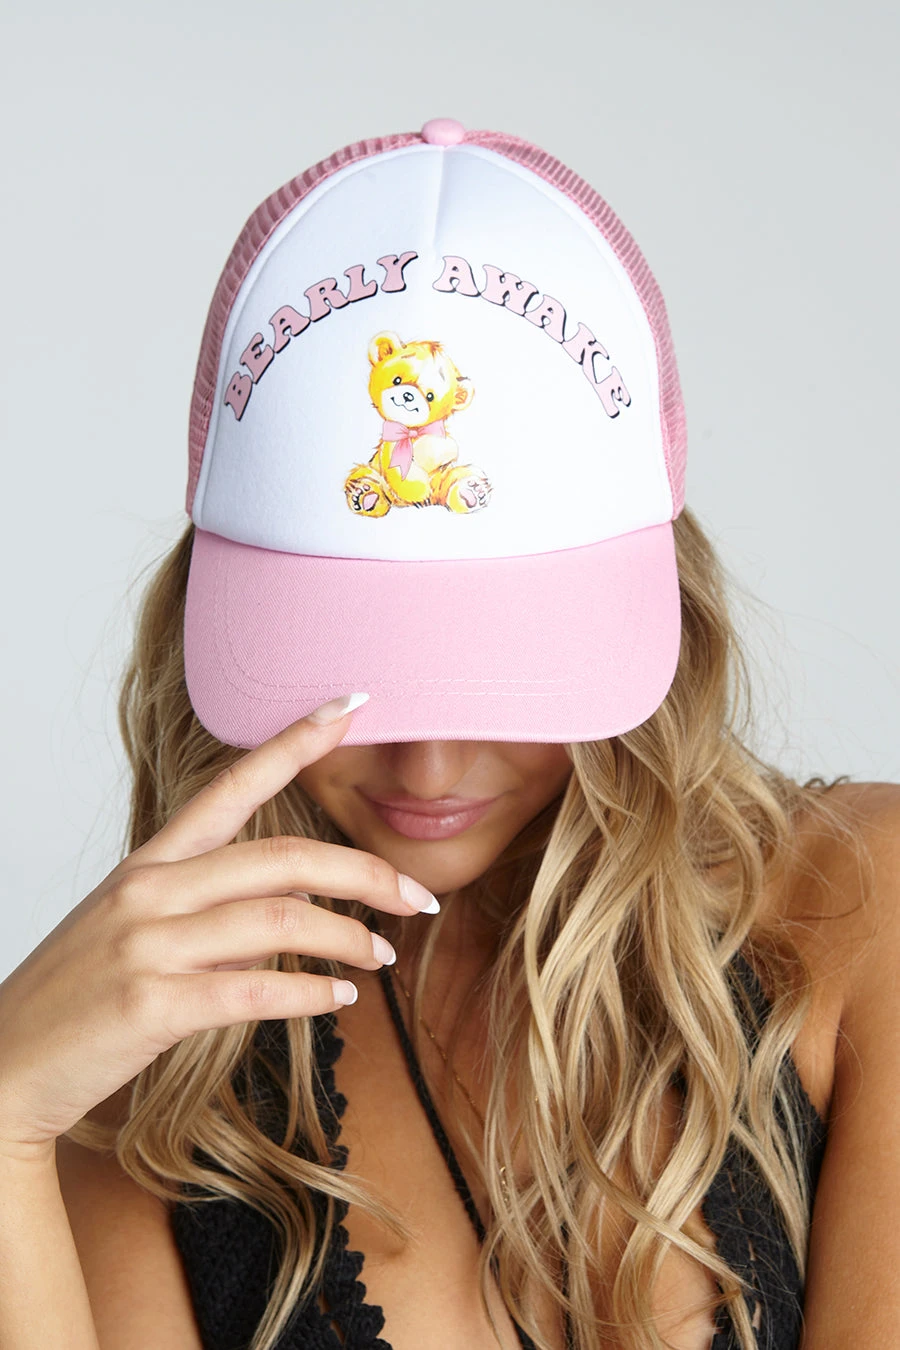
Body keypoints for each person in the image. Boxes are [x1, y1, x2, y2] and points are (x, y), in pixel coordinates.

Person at [0, 118, 897, 1350]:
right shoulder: (152, 1092)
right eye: (343, 683)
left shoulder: (864, 905)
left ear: (664, 603)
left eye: (501, 676)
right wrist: (3, 1121)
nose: (427, 768)